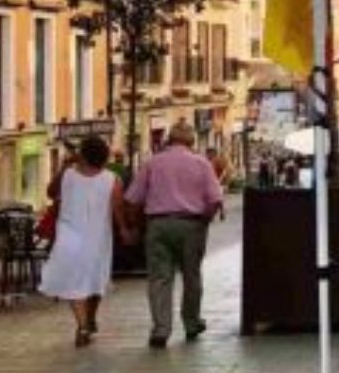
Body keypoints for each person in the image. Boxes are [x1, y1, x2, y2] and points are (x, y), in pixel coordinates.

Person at [123, 120, 224, 348]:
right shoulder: (202, 163)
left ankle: (161, 329)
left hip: (158, 224)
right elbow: (215, 200)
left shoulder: (153, 163)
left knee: (160, 278)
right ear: (191, 141)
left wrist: (136, 225)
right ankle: (191, 323)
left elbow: (132, 199)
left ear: (169, 140)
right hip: (191, 224)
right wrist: (204, 220)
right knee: (192, 276)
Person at [39, 136, 122, 347]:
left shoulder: (67, 174)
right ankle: (88, 321)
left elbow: (50, 191)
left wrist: (68, 163)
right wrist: (125, 230)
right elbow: (117, 209)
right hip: (98, 237)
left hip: (70, 236)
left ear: (82, 154)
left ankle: (84, 324)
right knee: (95, 279)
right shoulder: (113, 179)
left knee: (75, 281)